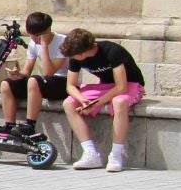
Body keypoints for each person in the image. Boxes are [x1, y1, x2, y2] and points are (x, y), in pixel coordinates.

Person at [60, 28, 144, 172]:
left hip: (130, 84)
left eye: (74, 55)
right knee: (68, 103)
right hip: (105, 86)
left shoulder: (112, 51)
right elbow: (70, 86)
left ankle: (116, 155)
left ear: (83, 52)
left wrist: (95, 104)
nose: (71, 58)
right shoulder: (75, 57)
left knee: (119, 102)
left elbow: (121, 87)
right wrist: (83, 100)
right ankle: (90, 153)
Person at [0, 11, 70, 134]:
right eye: (33, 36)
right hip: (44, 83)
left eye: (39, 35)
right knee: (6, 84)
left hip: (64, 83)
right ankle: (9, 126)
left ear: (48, 30)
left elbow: (49, 72)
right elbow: (27, 71)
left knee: (34, 81)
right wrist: (18, 74)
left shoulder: (63, 42)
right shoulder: (33, 44)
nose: (36, 39)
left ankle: (30, 125)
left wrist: (44, 46)